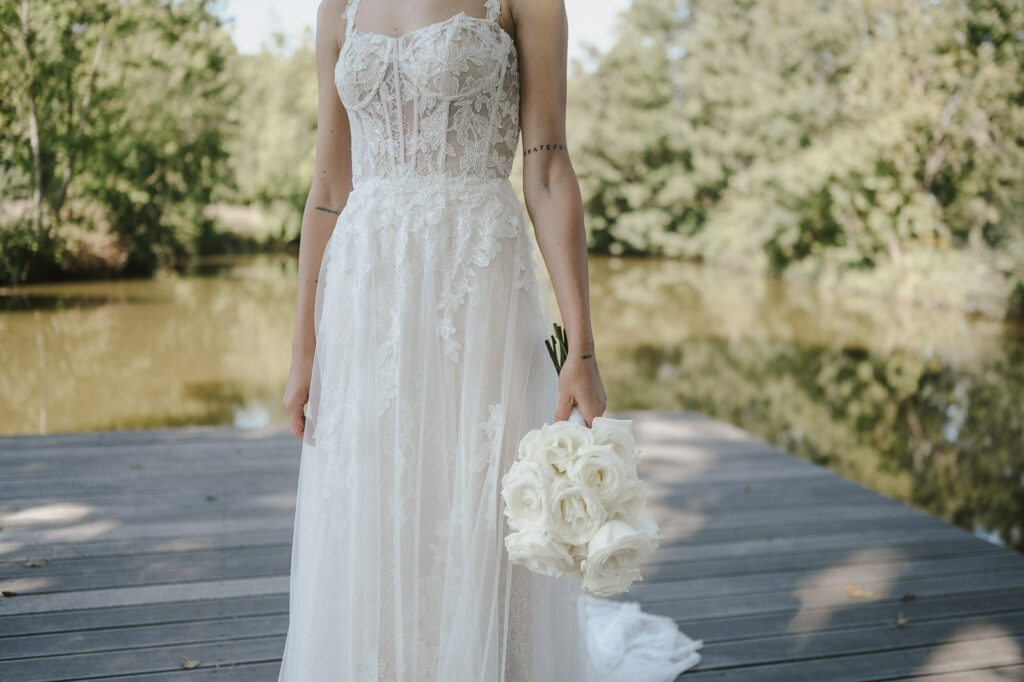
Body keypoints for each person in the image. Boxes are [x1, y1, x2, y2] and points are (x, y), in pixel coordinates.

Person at [278, 0, 703, 679]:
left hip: (474, 285)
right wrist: (305, 352)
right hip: (367, 293)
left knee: (471, 500)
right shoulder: (339, 7)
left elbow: (548, 168)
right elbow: (330, 185)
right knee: (374, 506)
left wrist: (581, 348)